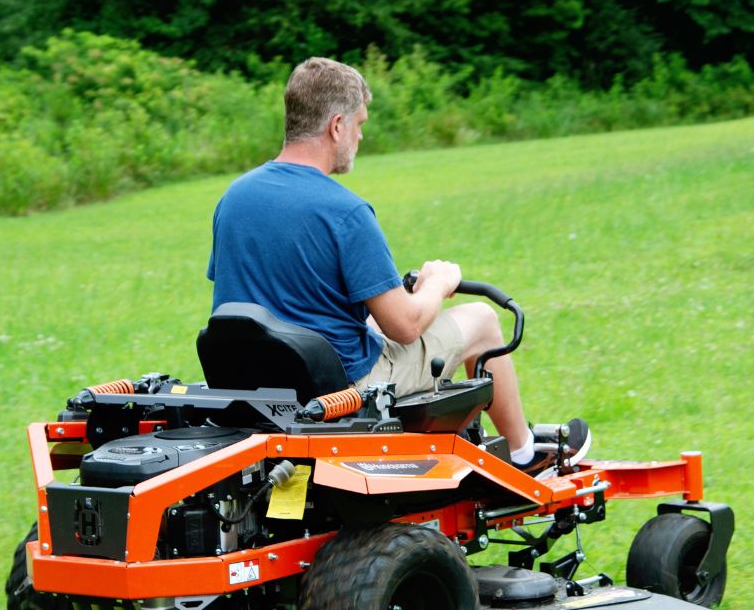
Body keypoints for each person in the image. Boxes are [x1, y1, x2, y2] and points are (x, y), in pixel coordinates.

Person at [207, 56, 587, 474]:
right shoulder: (345, 211)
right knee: (481, 318)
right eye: (359, 124)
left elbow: (274, 293)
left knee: (368, 327)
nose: (361, 136)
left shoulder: (234, 198)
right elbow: (403, 327)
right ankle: (524, 453)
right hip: (340, 389)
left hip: (260, 381)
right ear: (337, 126)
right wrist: (438, 284)